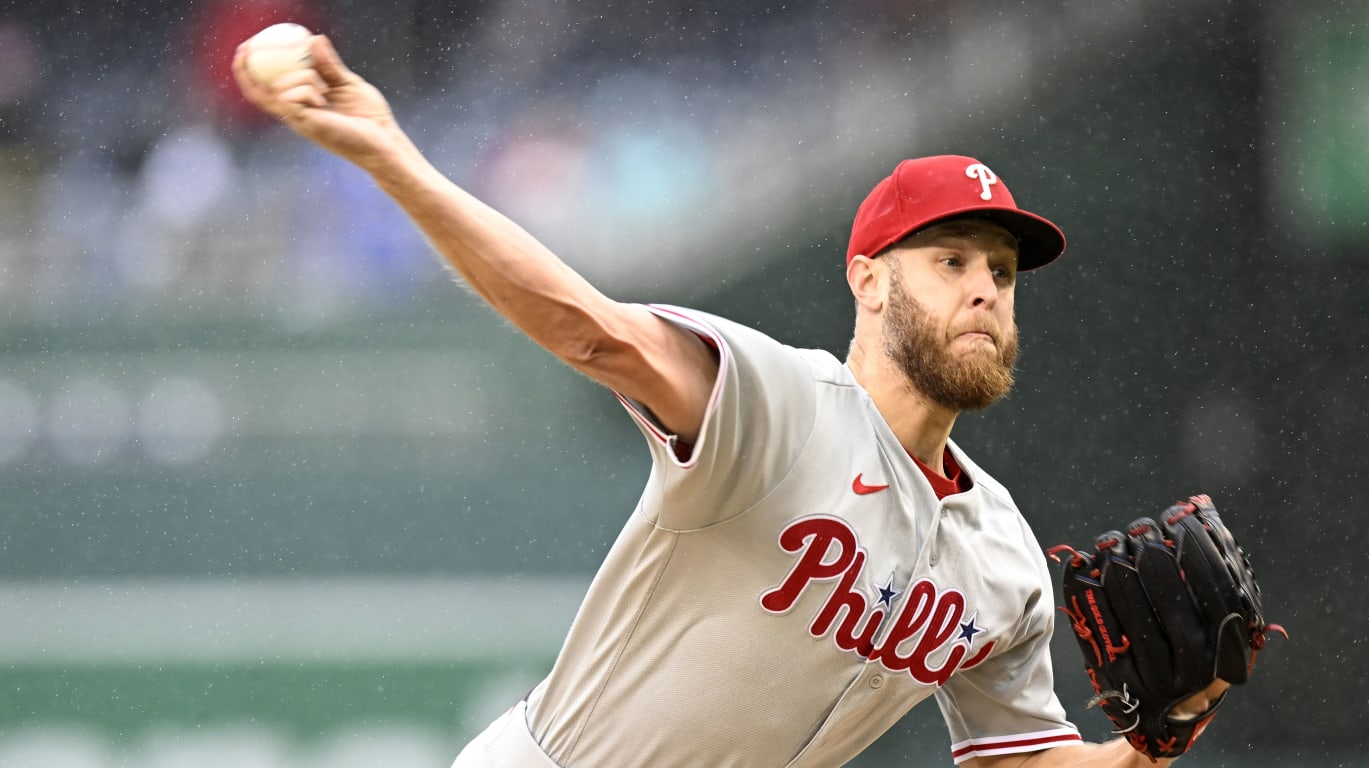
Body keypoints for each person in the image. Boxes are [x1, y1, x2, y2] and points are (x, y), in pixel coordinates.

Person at [233, 33, 1229, 768]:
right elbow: (592, 329)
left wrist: (1159, 737)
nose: (985, 289)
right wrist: (390, 156)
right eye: (951, 260)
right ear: (868, 281)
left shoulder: (1003, 556)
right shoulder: (783, 404)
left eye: (1004, 273)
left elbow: (1022, 763)